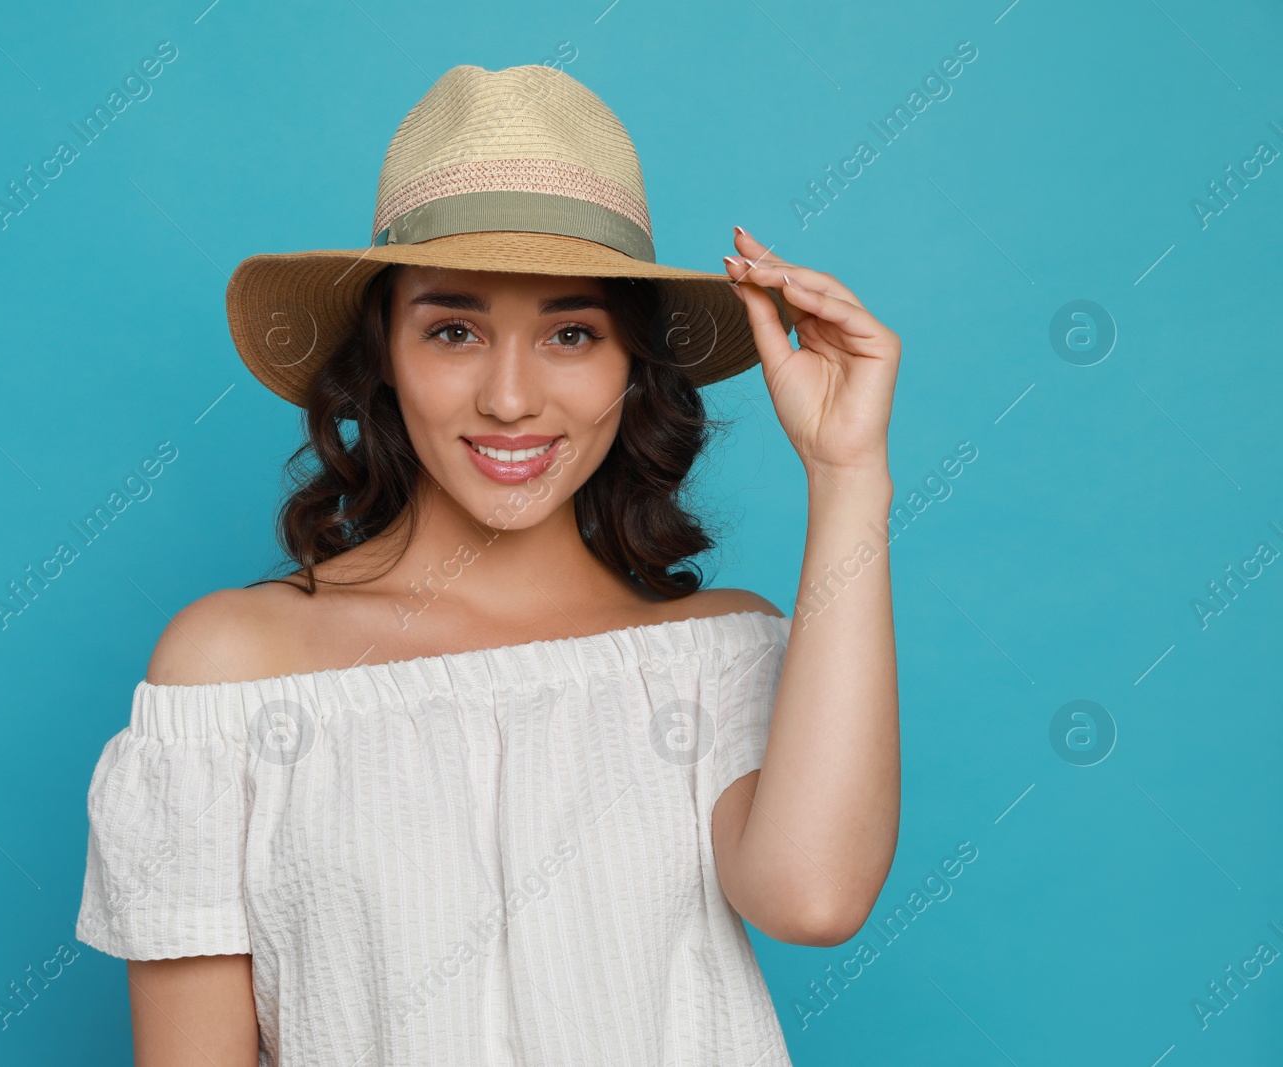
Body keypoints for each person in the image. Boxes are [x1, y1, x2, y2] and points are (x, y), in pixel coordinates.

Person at [76, 62, 900, 1065]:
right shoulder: (233, 670)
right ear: (382, 348)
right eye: (454, 329)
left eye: (570, 332)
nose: (510, 398)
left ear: (631, 366)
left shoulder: (711, 654)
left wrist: (846, 472)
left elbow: (811, 898)